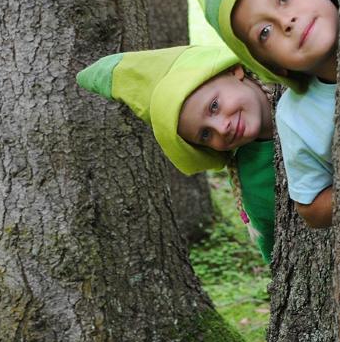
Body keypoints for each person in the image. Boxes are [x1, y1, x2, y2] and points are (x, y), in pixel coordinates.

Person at [172, 0, 338, 229]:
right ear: (271, 65)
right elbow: (309, 207)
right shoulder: (295, 117)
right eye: (264, 32)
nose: (286, 22)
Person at [77, 45, 277, 261]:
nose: (221, 128)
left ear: (233, 70)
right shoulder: (252, 181)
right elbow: (276, 254)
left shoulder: (300, 79)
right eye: (205, 135)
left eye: (214, 106)